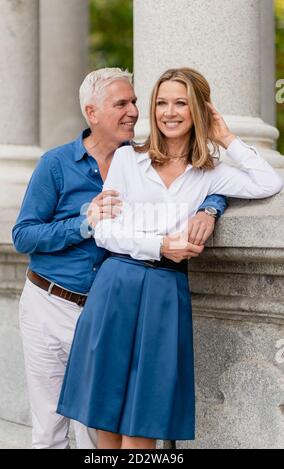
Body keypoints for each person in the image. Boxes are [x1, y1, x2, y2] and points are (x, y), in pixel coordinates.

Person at [57, 67, 283, 450]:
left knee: (144, 415)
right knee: (104, 412)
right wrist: (160, 245)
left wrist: (224, 136)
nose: (169, 112)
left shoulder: (211, 172)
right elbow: (106, 230)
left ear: (198, 110)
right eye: (161, 103)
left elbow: (269, 182)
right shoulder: (128, 160)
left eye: (181, 103)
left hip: (164, 292)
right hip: (116, 286)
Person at [12, 68, 226, 449]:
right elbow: (23, 235)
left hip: (108, 309)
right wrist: (83, 223)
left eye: (133, 102)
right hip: (51, 302)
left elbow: (202, 181)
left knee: (95, 430)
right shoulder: (57, 164)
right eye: (121, 104)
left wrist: (210, 207)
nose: (133, 111)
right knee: (50, 427)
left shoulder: (141, 162)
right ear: (92, 113)